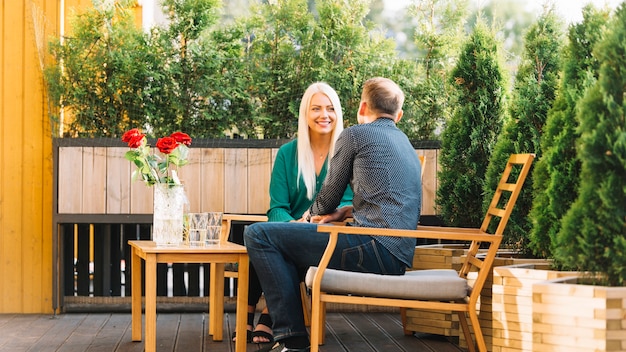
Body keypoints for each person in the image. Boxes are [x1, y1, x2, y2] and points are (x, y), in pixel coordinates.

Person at [244, 77, 422, 352]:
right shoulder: (405, 144)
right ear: (398, 114)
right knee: (280, 243)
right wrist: (346, 211)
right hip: (398, 255)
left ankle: (292, 340)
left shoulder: (355, 134)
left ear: (363, 108)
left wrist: (307, 219)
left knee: (257, 234)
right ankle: (285, 329)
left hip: (371, 247)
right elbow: (388, 201)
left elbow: (327, 197)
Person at [235, 82, 354, 344]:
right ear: (305, 114)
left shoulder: (348, 154)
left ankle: (264, 315)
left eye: (331, 108)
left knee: (276, 242)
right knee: (268, 237)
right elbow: (277, 206)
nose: (324, 115)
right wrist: (290, 226)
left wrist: (307, 225)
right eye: (316, 108)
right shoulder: (288, 153)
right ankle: (255, 315)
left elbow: (347, 203)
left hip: (326, 235)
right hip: (291, 226)